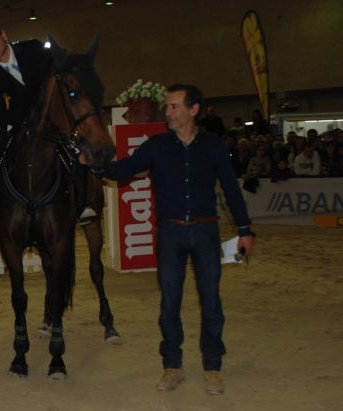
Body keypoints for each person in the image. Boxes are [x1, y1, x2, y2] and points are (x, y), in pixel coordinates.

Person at [92, 84, 255, 395]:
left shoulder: (214, 146)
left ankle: (212, 367)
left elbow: (231, 191)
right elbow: (124, 170)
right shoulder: (156, 145)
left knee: (211, 302)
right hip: (170, 233)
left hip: (206, 231)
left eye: (174, 106)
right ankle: (172, 365)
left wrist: (245, 230)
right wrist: (93, 165)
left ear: (193, 110)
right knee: (170, 303)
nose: (167, 112)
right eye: (167, 106)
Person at [0, 20, 96, 229]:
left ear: (3, 34)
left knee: (76, 148)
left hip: (50, 115)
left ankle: (83, 205)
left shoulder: (33, 47)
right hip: (17, 120)